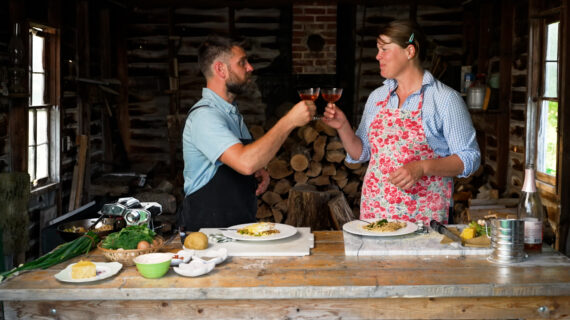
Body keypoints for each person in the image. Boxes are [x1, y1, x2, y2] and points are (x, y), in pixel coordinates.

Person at [323, 20, 480, 224]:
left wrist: (422, 168)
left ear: (409, 51)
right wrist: (343, 127)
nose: (378, 56)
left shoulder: (444, 99)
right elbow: (360, 153)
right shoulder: (377, 97)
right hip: (375, 216)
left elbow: (470, 158)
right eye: (378, 49)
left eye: (384, 49)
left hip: (423, 221)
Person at [179, 35, 316, 232]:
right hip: (208, 239)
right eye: (242, 62)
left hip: (238, 231)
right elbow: (245, 162)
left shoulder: (232, 114)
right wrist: (289, 121)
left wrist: (256, 173)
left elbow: (241, 162)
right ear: (220, 69)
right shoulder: (205, 116)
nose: (250, 68)